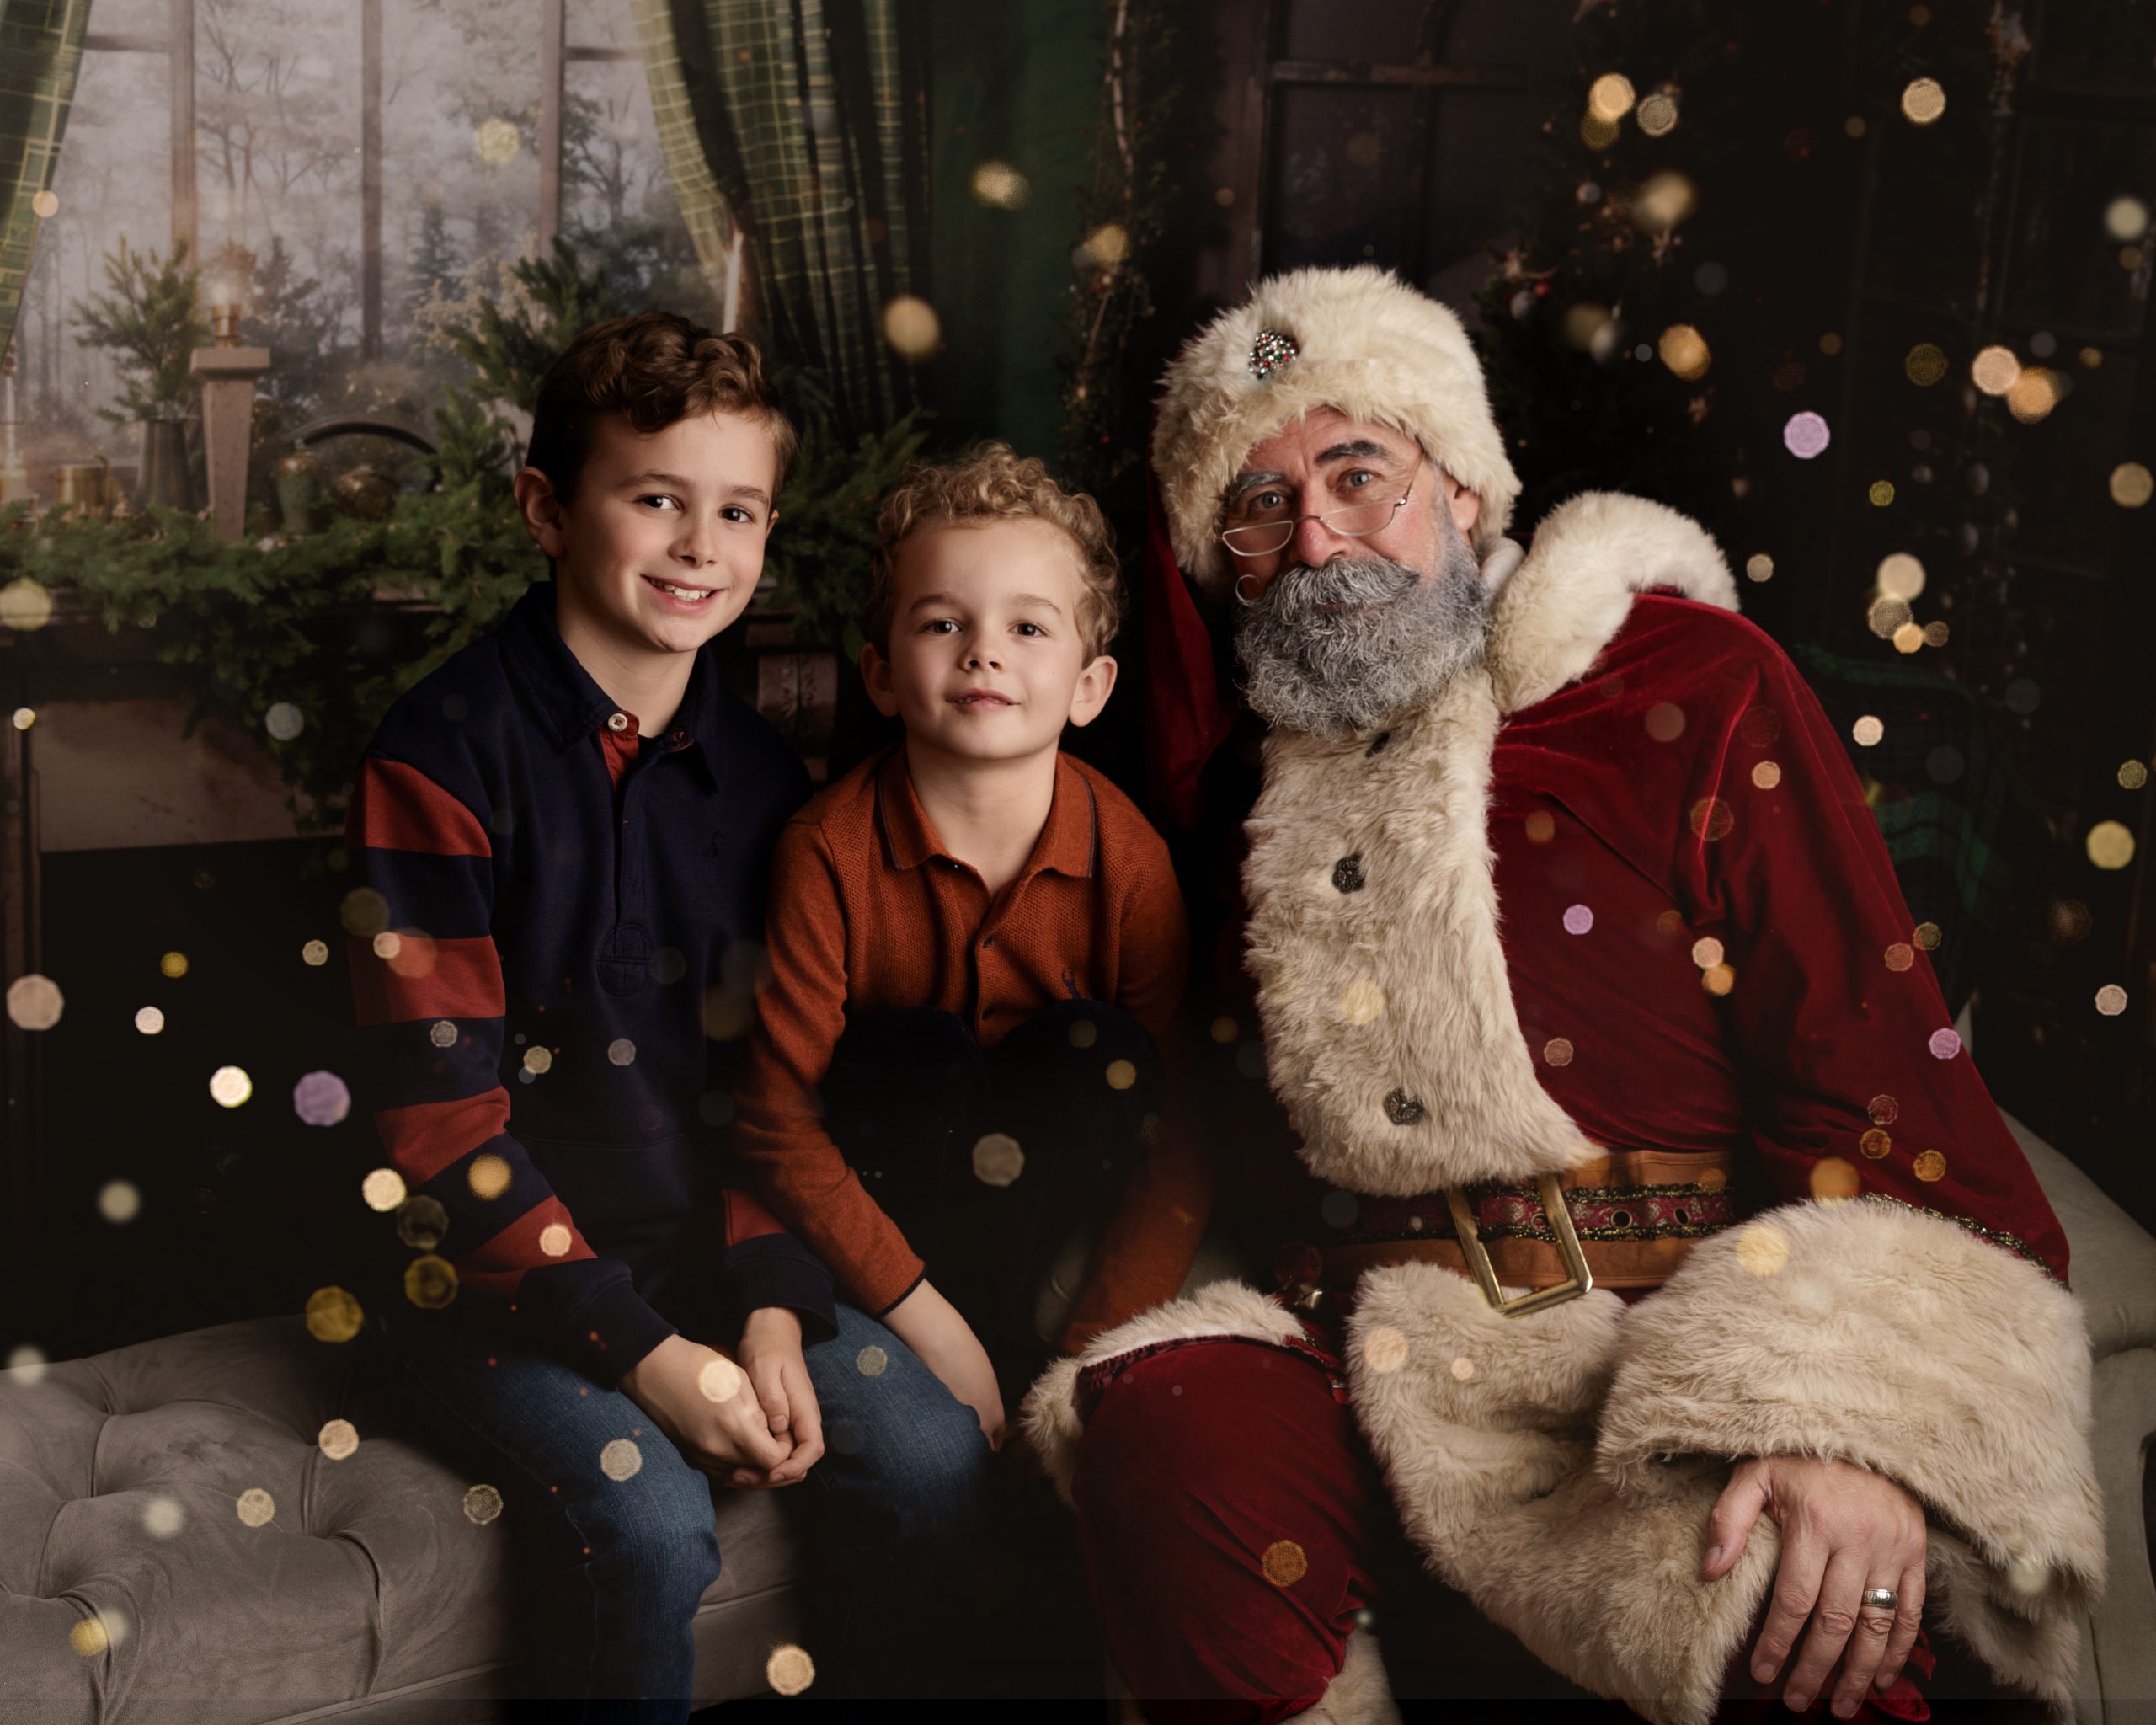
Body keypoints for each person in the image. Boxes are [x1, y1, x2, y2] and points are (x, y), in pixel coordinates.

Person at [1021, 265, 2102, 1724]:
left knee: (1805, 1610)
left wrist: (1852, 1430)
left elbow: (1880, 1091)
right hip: (1372, 1349)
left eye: (1359, 474)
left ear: (1464, 493)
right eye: (1259, 508)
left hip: (1666, 1358)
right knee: (1163, 1429)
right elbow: (1200, 1119)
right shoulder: (1240, 799)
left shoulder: (1690, 683)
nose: (1318, 536)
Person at [344, 311, 851, 1719]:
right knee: (646, 1523)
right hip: (478, 1290)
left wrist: (761, 1308)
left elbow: (777, 1083)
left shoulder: (760, 776)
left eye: (736, 509)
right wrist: (641, 1352)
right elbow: (439, 1129)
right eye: (655, 499)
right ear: (546, 509)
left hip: (702, 1263)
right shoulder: (439, 760)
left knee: (929, 1461)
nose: (700, 546)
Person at [727, 442, 1213, 1693]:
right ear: (884, 675)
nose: (985, 652)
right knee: (917, 1054)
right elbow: (776, 1122)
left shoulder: (1131, 864)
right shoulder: (826, 853)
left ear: (1091, 682)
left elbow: (1182, 1134)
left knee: (1096, 1055)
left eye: (1028, 627)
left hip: (1056, 1223)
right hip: (885, 1224)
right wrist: (926, 1321)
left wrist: (1090, 1353)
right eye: (944, 624)